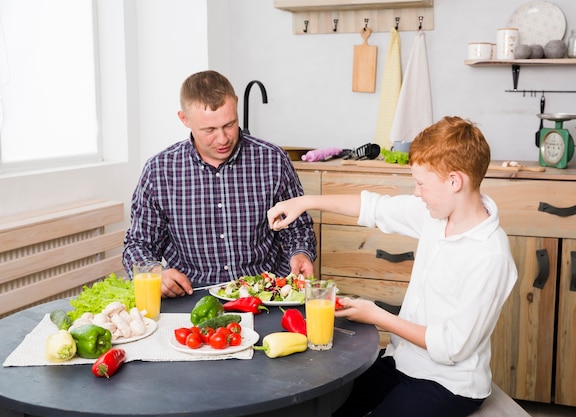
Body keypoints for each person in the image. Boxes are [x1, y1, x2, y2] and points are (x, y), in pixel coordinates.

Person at [267, 116, 517, 417]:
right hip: (402, 363)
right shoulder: (438, 215)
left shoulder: (490, 255)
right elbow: (373, 207)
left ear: (454, 182)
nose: (415, 192)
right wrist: (304, 202)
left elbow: (452, 347)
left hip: (448, 385)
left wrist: (378, 316)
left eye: (421, 183)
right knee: (327, 405)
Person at [123, 70, 316, 298]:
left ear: (235, 105)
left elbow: (298, 228)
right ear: (184, 119)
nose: (223, 139)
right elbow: (138, 244)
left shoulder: (272, 160)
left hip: (264, 295)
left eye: (229, 124)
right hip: (193, 298)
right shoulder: (159, 170)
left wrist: (300, 254)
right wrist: (155, 272)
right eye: (209, 130)